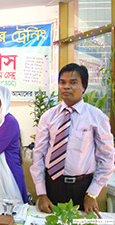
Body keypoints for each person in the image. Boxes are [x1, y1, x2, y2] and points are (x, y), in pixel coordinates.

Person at [30, 63, 115, 217]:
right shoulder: (48, 117)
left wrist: (92, 193)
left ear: (84, 87)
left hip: (82, 188)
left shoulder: (96, 117)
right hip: (53, 185)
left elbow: (107, 158)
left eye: (73, 82)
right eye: (62, 82)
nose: (66, 87)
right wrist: (41, 193)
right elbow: (38, 155)